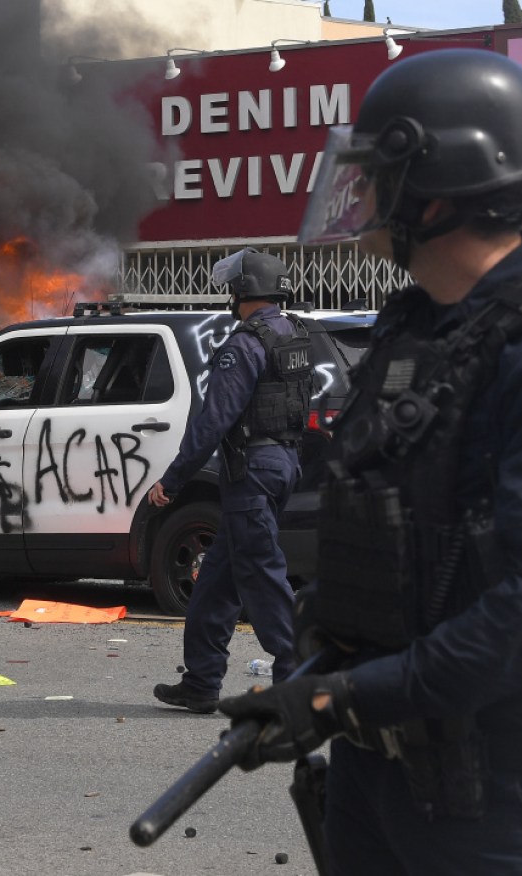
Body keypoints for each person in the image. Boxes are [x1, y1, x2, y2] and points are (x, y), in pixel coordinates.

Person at [217, 48, 522, 873]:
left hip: (491, 793)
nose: (361, 198)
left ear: (436, 185)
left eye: (376, 175)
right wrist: (323, 656)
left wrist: (335, 697)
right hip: (377, 770)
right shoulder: (410, 328)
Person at [149, 247, 313, 714]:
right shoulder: (294, 333)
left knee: (264, 580)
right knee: (216, 583)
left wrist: (173, 480)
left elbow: (212, 421)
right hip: (281, 466)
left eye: (232, 287)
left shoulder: (243, 344)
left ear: (243, 291)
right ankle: (201, 681)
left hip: (251, 476)